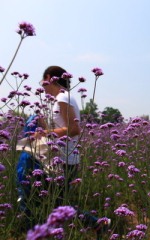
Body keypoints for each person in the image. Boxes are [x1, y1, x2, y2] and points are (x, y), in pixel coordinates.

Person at [35, 66, 110, 237]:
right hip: (59, 157)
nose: (43, 86)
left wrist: (44, 133)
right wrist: (42, 124)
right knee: (56, 200)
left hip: (64, 159)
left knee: (58, 203)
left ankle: (97, 223)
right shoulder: (59, 99)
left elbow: (74, 129)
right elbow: (60, 129)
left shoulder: (62, 97)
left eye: (43, 82)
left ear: (48, 78)